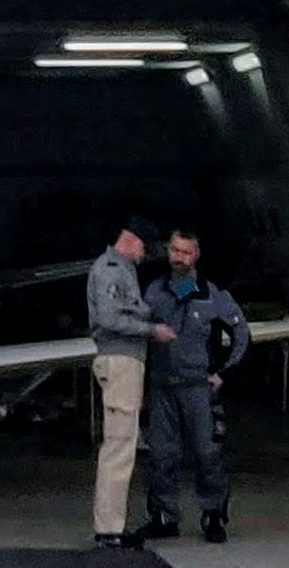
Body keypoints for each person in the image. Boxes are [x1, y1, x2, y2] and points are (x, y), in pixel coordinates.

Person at [136, 228, 248, 544]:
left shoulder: (213, 295)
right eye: (175, 250)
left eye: (186, 252)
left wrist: (225, 373)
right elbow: (139, 327)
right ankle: (162, 516)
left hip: (198, 387)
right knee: (161, 454)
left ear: (196, 255)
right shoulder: (155, 292)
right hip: (162, 386)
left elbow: (241, 335)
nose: (179, 257)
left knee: (207, 453)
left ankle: (213, 515)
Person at [83, 224, 154, 548]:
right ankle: (109, 530)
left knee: (122, 443)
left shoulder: (121, 269)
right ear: (131, 240)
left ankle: (112, 525)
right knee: (119, 445)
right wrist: (151, 329)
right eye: (144, 246)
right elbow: (110, 320)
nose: (145, 254)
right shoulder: (112, 270)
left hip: (125, 361)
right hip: (120, 361)